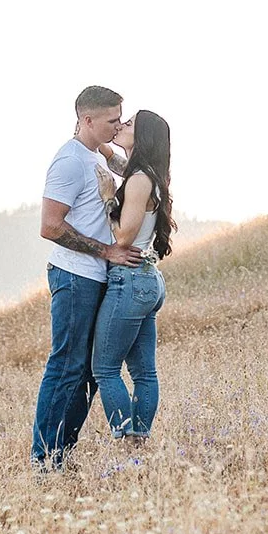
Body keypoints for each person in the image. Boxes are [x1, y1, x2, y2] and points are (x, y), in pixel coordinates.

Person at [33, 86, 144, 469]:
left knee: (92, 372)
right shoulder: (69, 161)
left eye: (121, 119)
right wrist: (106, 251)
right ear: (88, 119)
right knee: (66, 367)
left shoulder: (97, 153)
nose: (118, 125)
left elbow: (136, 171)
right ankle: (44, 461)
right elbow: (50, 226)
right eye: (112, 120)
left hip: (98, 278)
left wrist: (118, 150)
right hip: (74, 275)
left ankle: (62, 454)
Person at [91, 110, 175, 442]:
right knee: (144, 373)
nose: (121, 125)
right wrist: (98, 140)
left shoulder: (139, 180)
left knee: (105, 369)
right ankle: (139, 443)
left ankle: (127, 442)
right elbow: (117, 162)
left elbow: (123, 237)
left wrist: (108, 198)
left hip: (129, 279)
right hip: (148, 280)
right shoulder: (147, 174)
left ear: (141, 137)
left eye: (128, 124)